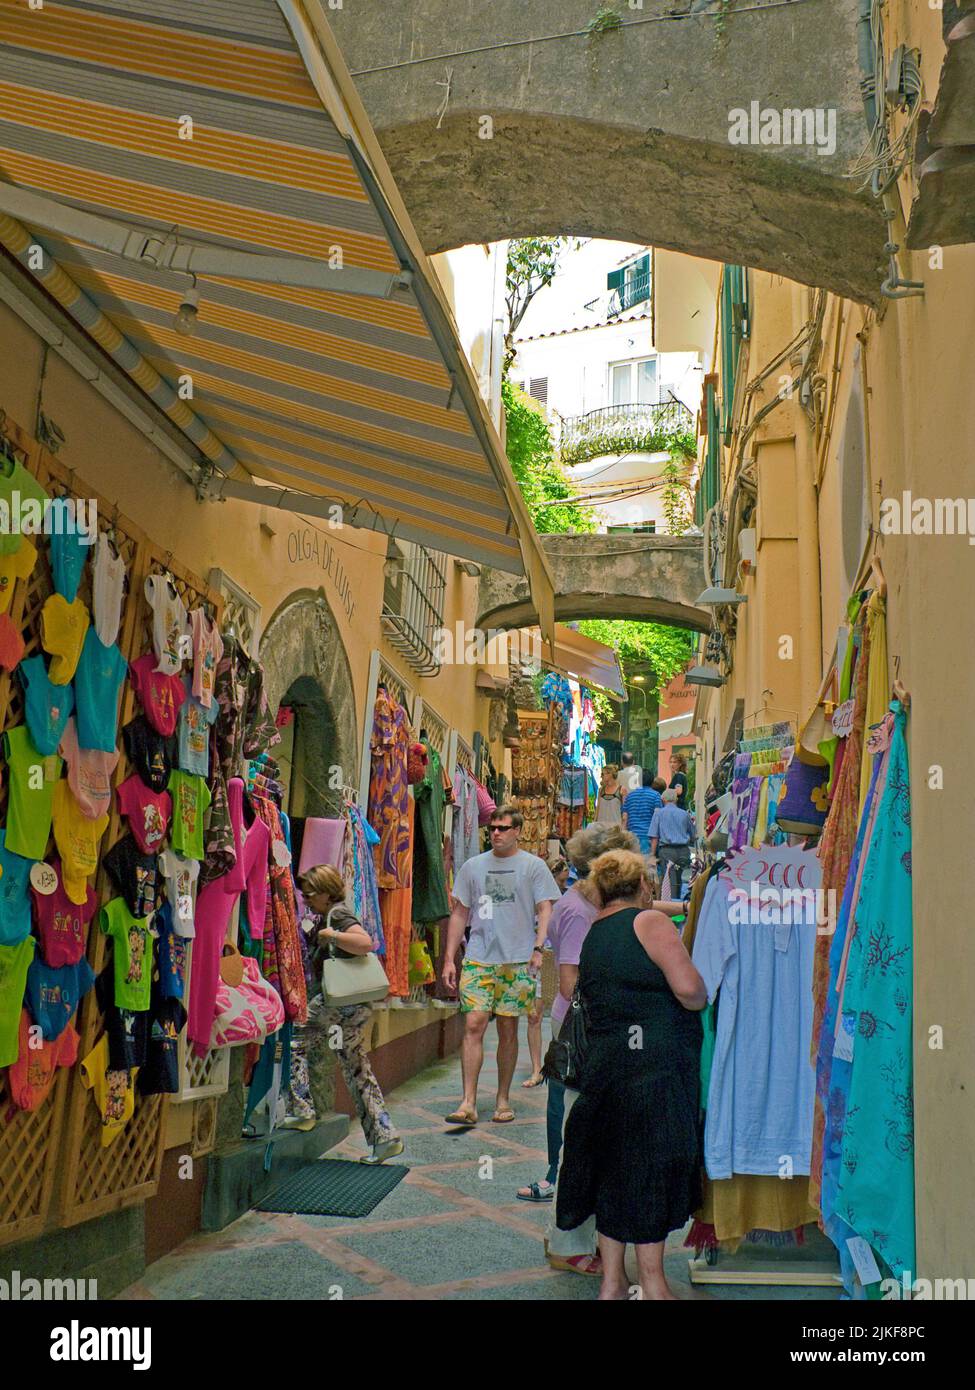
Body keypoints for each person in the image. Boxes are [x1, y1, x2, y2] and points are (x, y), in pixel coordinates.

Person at [555, 849, 707, 1300]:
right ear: (643, 884)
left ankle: (612, 1282)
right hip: (652, 1067)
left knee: (612, 1168)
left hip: (606, 1066)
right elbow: (690, 991)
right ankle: (654, 1283)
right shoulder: (651, 924)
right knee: (648, 1169)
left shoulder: (594, 931)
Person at [442, 805, 560, 1126]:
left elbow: (545, 909)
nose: (496, 833)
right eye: (492, 828)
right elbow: (460, 913)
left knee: (508, 1030)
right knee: (474, 1024)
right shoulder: (473, 867)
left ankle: (502, 1098)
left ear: (517, 831)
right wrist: (450, 958)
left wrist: (538, 948)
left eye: (503, 828)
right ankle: (467, 1102)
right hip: (479, 958)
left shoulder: (533, 867)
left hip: (518, 960)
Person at [289, 864, 403, 1164]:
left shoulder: (337, 915)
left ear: (326, 893)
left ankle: (301, 1110)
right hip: (353, 1007)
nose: (307, 899)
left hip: (339, 1002)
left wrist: (332, 936)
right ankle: (385, 1137)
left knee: (294, 1036)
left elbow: (365, 943)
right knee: (356, 1069)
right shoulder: (332, 912)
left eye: (311, 894)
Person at [523, 853, 570, 1090]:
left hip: (553, 963)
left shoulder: (562, 904)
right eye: (561, 881)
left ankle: (556, 1062)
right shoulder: (530, 900)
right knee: (535, 1015)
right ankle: (536, 1068)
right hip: (532, 962)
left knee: (551, 1017)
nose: (563, 887)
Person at [649, 788, 697, 899]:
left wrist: (652, 855)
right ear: (675, 799)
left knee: (670, 880)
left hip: (667, 851)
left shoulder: (658, 814)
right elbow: (693, 835)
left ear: (663, 799)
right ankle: (677, 903)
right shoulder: (684, 814)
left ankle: (673, 906)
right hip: (683, 851)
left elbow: (654, 836)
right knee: (679, 878)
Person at [621, 768, 664, 853]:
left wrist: (623, 837)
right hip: (648, 837)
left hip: (631, 837)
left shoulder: (630, 796)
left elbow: (624, 818)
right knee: (646, 864)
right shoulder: (656, 795)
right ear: (652, 781)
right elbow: (658, 818)